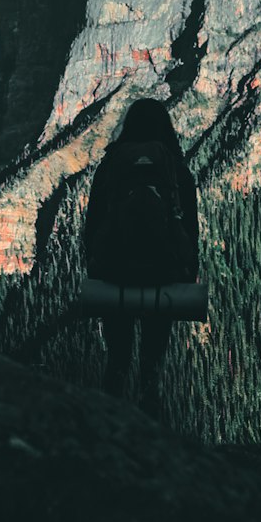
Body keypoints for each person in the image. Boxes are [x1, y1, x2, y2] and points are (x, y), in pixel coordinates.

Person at [82, 96, 199, 409]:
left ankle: (109, 435)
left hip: (115, 272)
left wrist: (95, 268)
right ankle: (152, 435)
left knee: (117, 360)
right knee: (152, 366)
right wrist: (187, 273)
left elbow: (91, 227)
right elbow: (191, 230)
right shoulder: (177, 171)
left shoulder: (110, 168)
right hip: (162, 274)